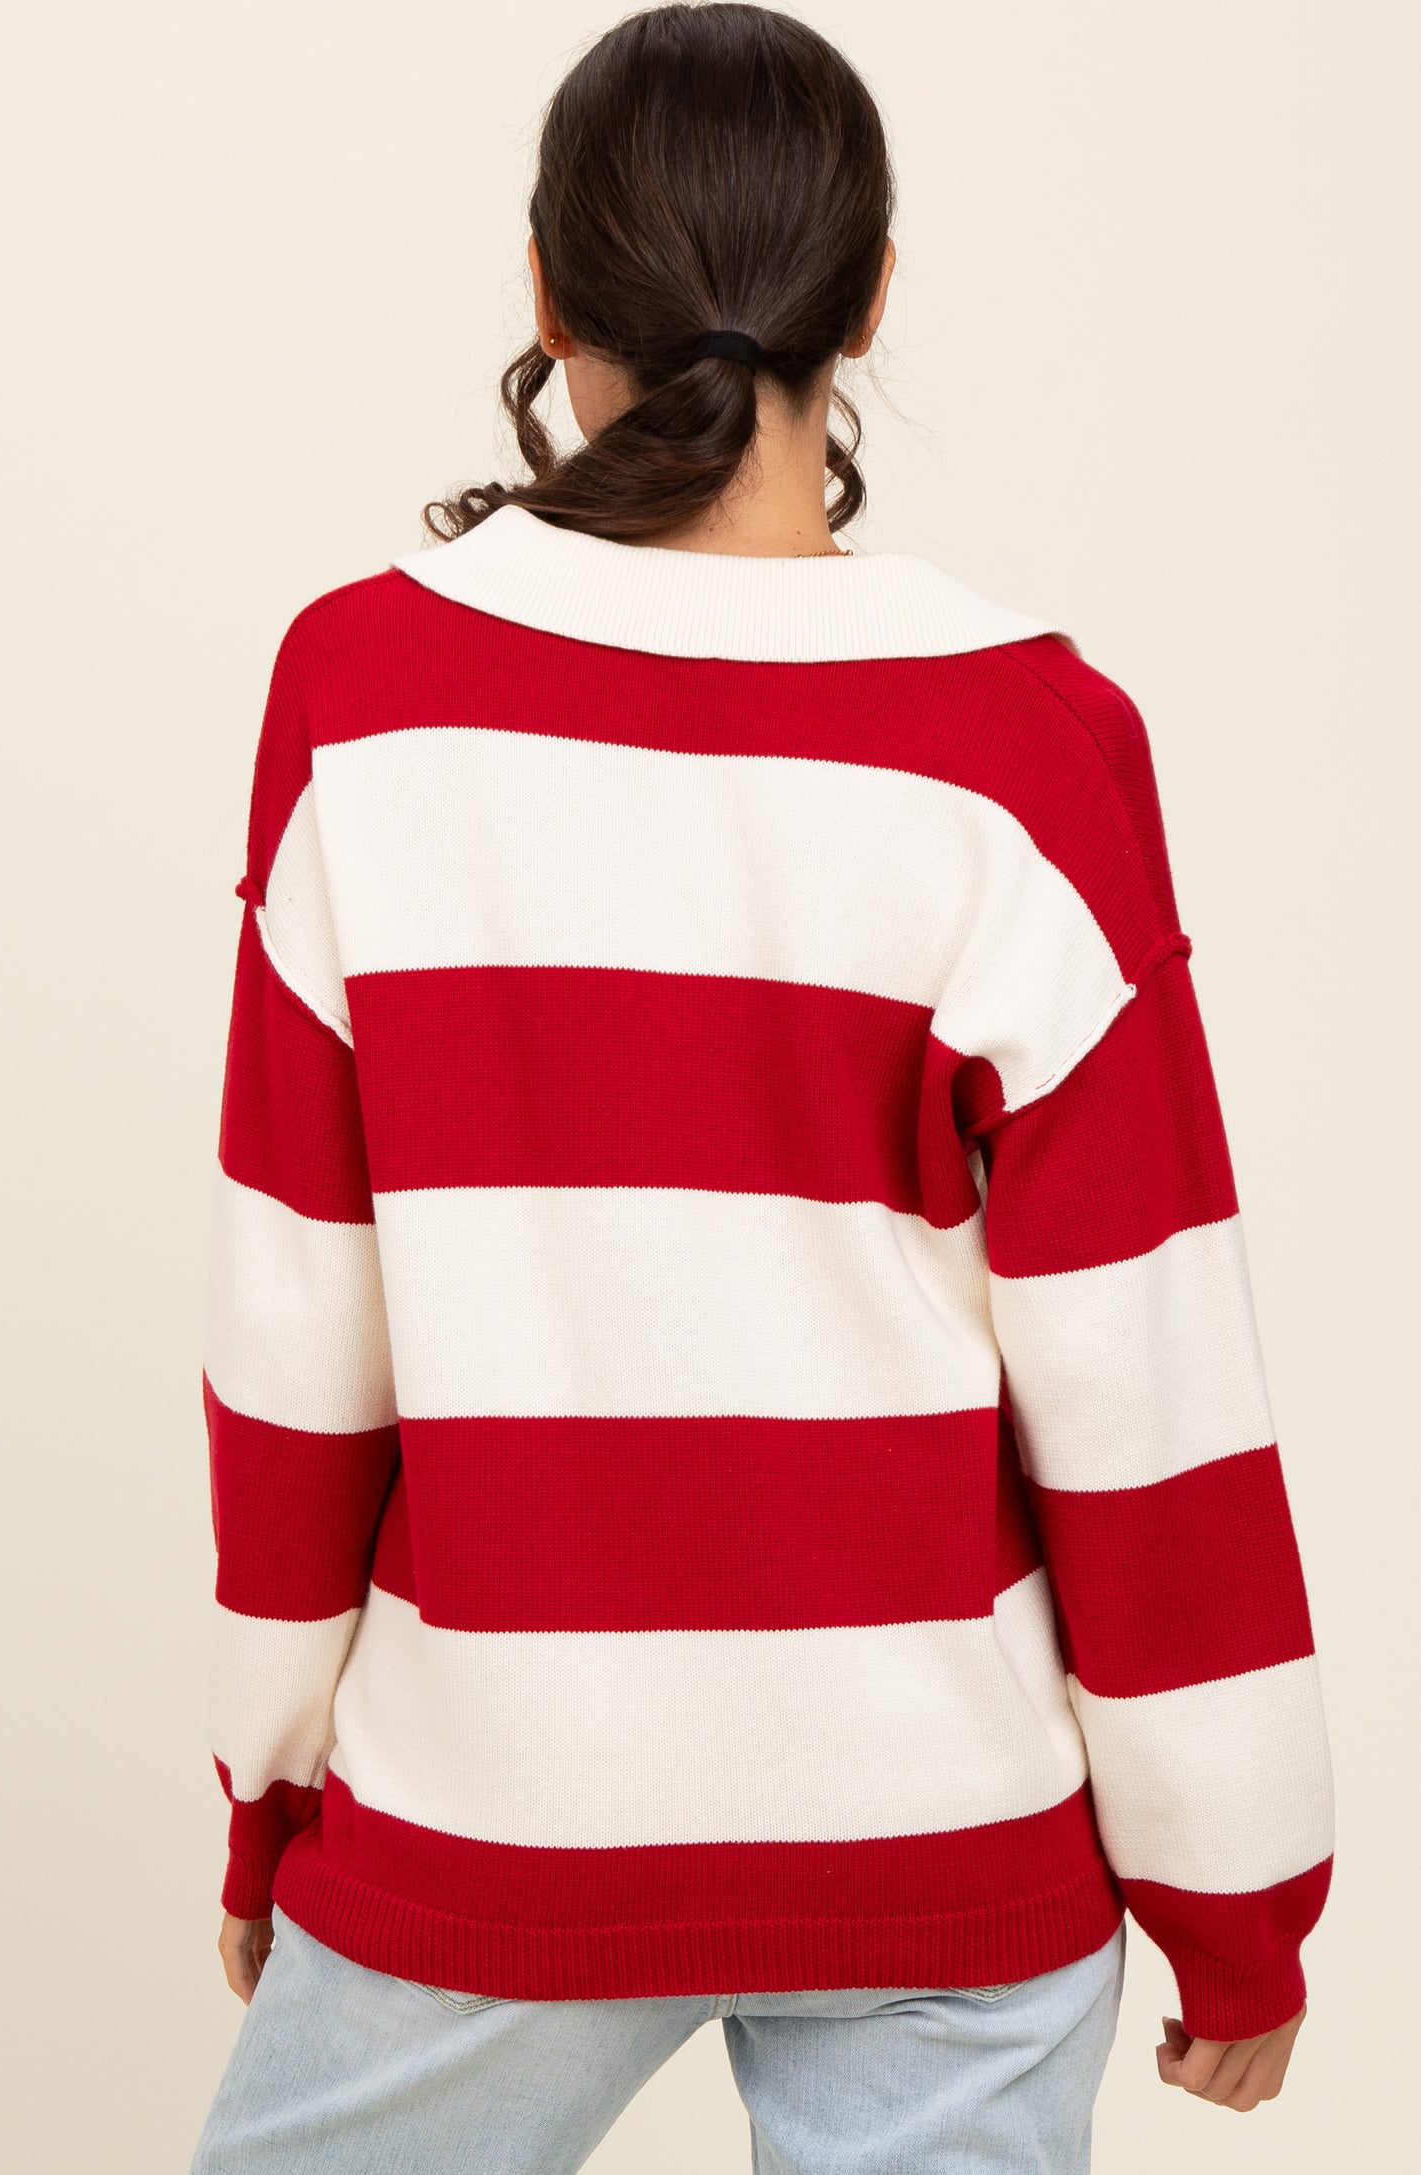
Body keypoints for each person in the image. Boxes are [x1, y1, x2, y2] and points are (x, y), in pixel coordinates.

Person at [189, 7, 1333, 2169]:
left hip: (497, 1809)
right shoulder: (1029, 743)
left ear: (547, 292)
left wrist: (268, 1786)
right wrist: (1236, 1891)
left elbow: (296, 1323)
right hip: (941, 1834)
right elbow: (1148, 1369)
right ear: (868, 294)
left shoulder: (364, 698)